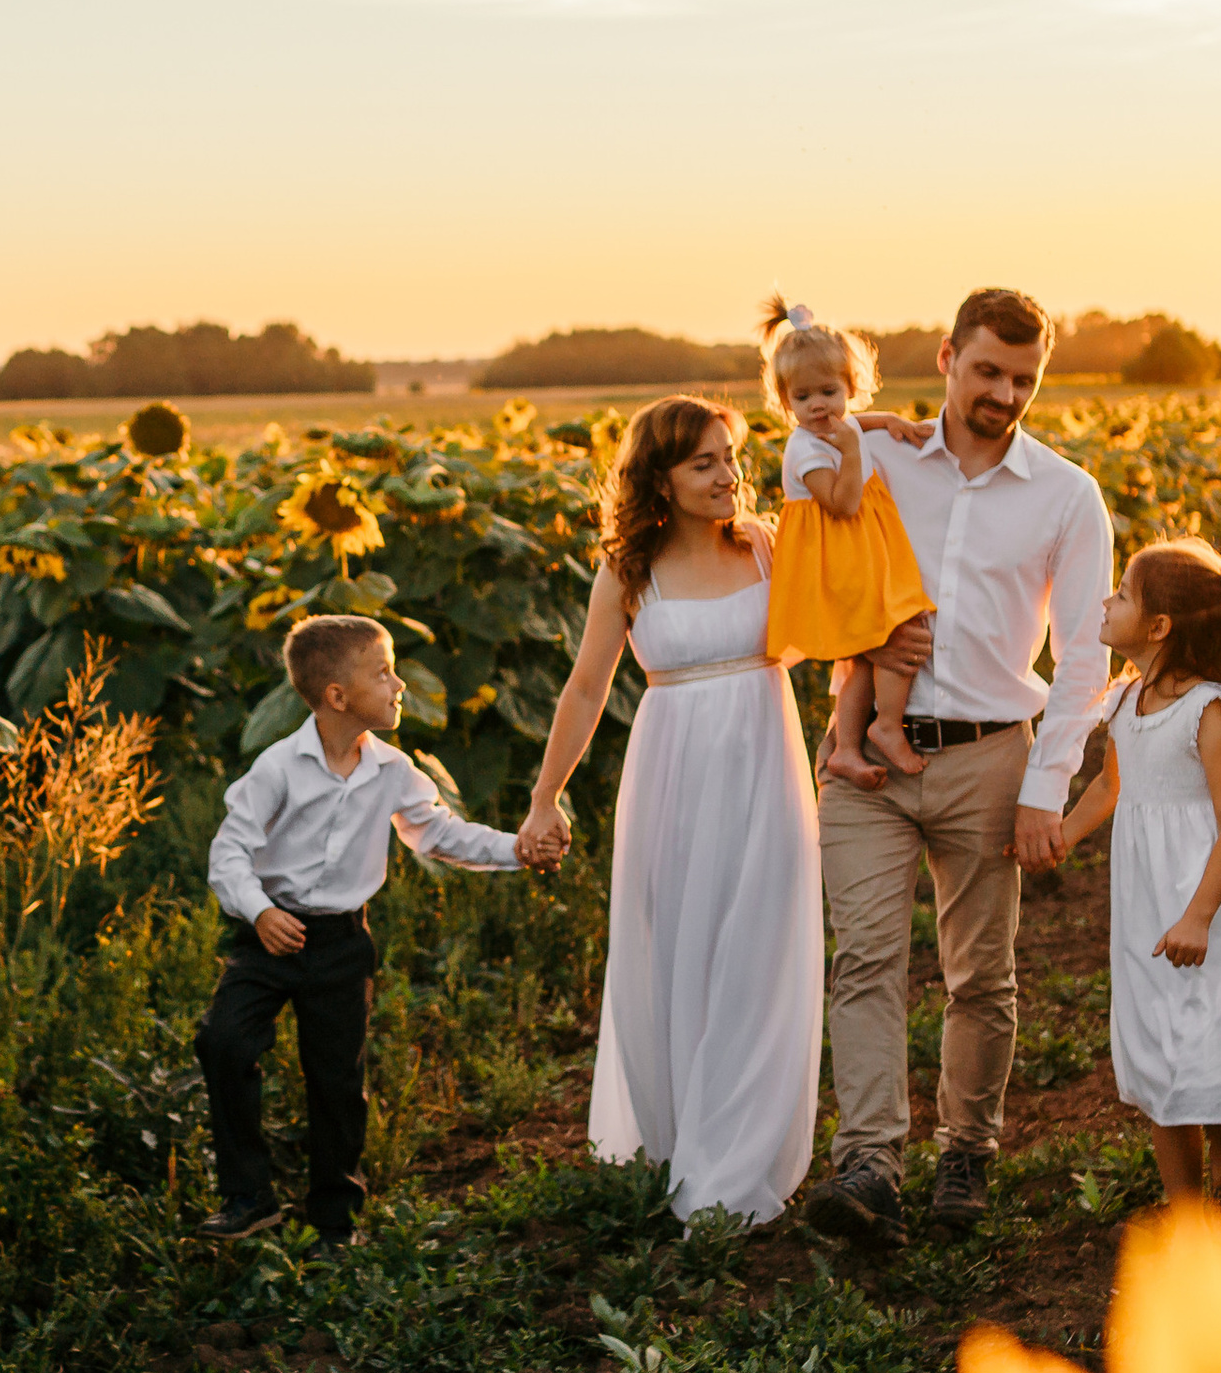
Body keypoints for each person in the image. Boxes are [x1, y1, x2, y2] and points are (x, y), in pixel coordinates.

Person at [518, 396, 899, 1223]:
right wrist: (546, 797)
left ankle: (734, 1167)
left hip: (766, 766)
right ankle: (681, 1142)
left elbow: (831, 622)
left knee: (757, 958)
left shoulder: (766, 546)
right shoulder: (628, 571)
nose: (728, 474)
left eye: (730, 457)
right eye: (704, 463)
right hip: (670, 777)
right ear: (660, 477)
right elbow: (586, 689)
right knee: (677, 952)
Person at [803, 289, 1115, 1249]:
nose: (1005, 394)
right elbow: (801, 474)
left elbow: (1086, 662)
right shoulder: (880, 454)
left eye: (1024, 379)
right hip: (869, 763)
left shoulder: (1066, 494)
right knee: (862, 960)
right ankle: (871, 1163)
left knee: (981, 972)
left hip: (991, 754)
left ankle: (966, 1152)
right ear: (946, 357)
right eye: (988, 372)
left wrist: (1043, 789)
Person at [196, 614, 549, 1246]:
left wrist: (517, 849)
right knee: (224, 1042)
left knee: (336, 1078)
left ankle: (336, 1216)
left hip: (339, 944)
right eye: (383, 672)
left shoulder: (393, 771)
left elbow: (440, 835)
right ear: (337, 696)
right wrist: (260, 911)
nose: (398, 685)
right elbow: (229, 853)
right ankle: (248, 1196)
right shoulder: (278, 769)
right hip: (270, 935)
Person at [1058, 539, 1221, 1209]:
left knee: (1210, 1032)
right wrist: (1059, 837)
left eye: (1123, 593)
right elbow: (1109, 788)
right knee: (1158, 1036)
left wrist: (1198, 915)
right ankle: (1186, 1208)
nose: (1108, 601)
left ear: (1158, 627)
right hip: (1145, 897)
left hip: (1206, 892)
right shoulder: (1125, 701)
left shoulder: (1208, 710)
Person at [757, 298, 935, 787]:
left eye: (829, 392)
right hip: (838, 559)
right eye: (803, 396)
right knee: (895, 628)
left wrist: (890, 421)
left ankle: (850, 747)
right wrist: (855, 448)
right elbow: (842, 504)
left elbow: (861, 421)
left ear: (850, 389)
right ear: (784, 400)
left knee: (866, 652)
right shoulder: (805, 448)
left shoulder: (842, 424)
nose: (818, 406)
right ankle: (886, 726)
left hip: (860, 553)